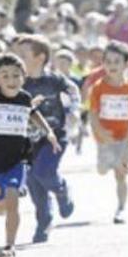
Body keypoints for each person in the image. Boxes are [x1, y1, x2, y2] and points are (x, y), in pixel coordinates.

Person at [0, 53, 61, 257]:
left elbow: (34, 114)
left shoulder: (24, 98)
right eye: (5, 76)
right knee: (0, 207)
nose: (11, 80)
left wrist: (49, 133)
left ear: (23, 77)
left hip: (17, 160)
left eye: (16, 76)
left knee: (12, 204)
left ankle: (9, 247)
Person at [12, 34, 79, 243]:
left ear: (40, 57)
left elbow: (73, 91)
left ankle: (61, 191)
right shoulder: (17, 83)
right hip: (28, 140)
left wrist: (74, 110)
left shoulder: (54, 80)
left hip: (55, 136)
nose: (18, 58)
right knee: (33, 182)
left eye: (23, 54)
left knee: (44, 172)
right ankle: (44, 220)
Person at [89, 41, 128, 224]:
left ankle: (121, 209)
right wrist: (100, 131)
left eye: (117, 61)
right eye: (108, 61)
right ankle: (108, 163)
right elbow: (93, 114)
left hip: (124, 138)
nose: (112, 66)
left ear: (126, 64)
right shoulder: (99, 87)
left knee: (120, 173)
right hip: (104, 139)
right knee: (102, 170)